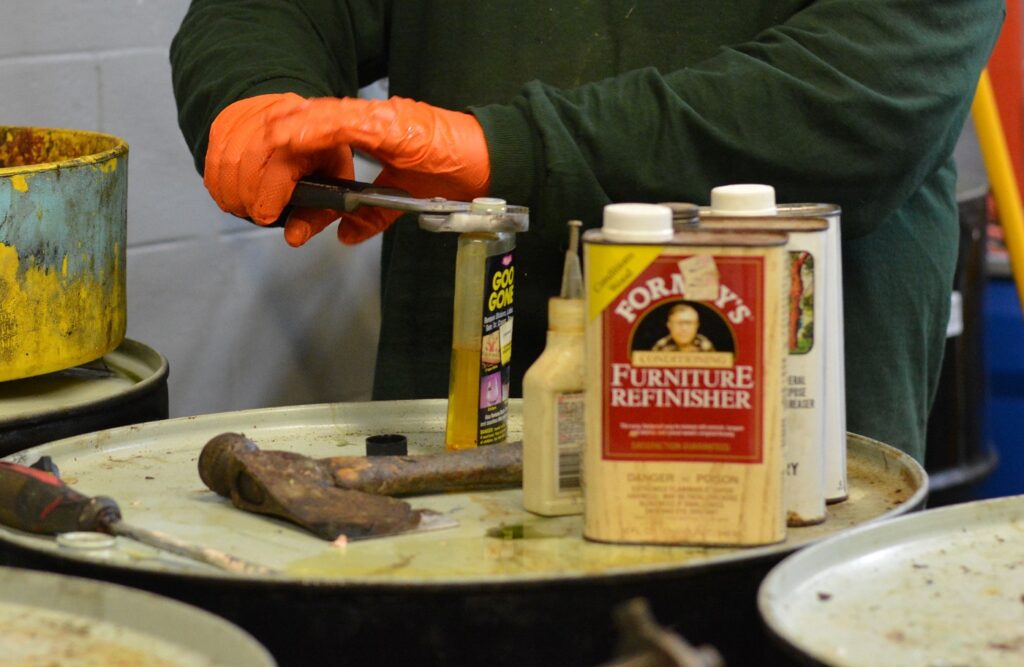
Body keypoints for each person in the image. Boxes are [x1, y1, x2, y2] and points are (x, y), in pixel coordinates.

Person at [169, 1, 1003, 464]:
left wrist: (508, 150)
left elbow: (860, 99)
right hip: (464, 464)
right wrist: (256, 94)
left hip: (788, 472)